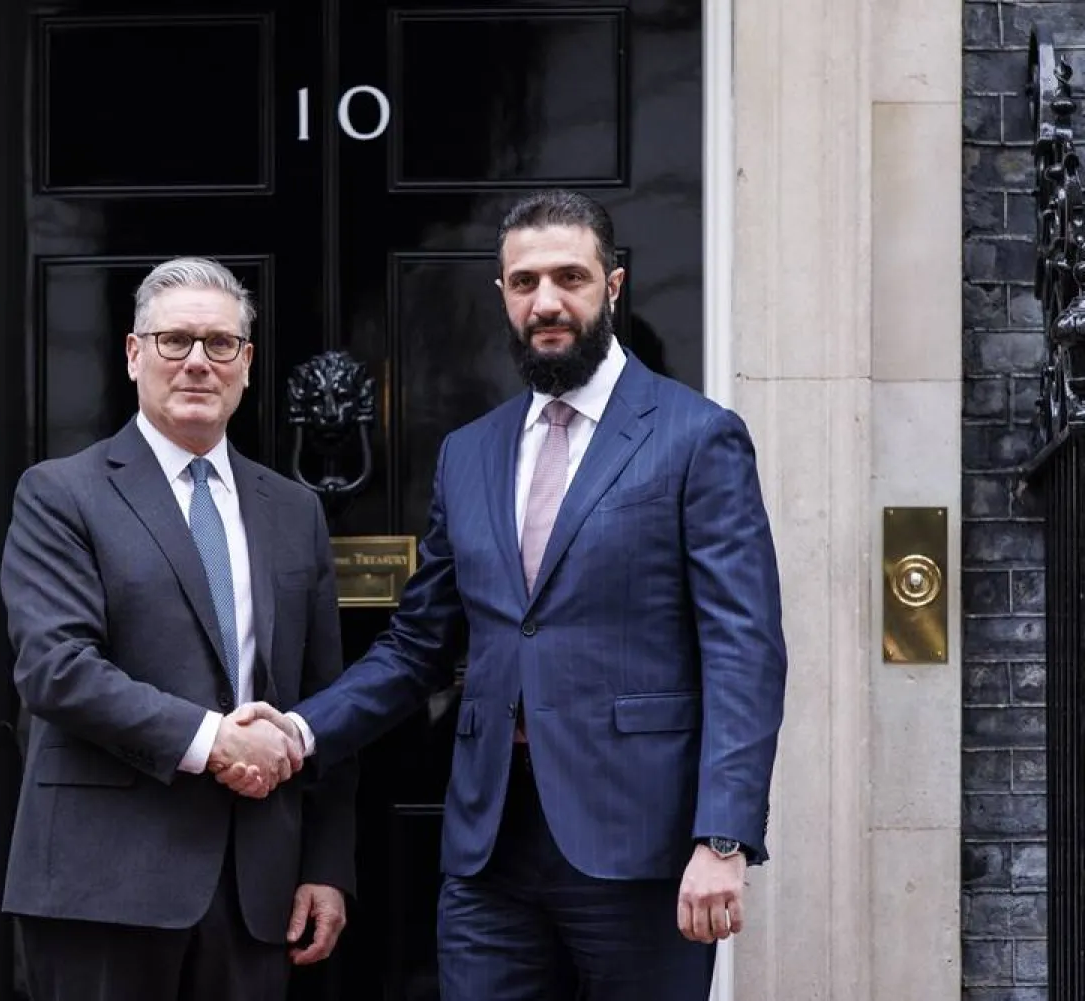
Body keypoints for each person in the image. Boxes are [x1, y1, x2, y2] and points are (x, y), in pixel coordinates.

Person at [224, 190, 788, 1000]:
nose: (547, 302)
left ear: (614, 286)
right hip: (488, 853)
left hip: (642, 849)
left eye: (570, 277)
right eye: (524, 282)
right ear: (502, 295)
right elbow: (418, 645)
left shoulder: (697, 436)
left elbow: (745, 652)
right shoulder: (470, 453)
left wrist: (723, 838)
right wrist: (302, 730)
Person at [0, 256, 357, 1001]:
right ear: (134, 354)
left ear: (247, 364)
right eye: (174, 341)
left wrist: (326, 862)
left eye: (220, 343)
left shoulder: (294, 512)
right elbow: (56, 667)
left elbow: (325, 697)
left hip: (255, 886)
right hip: (103, 885)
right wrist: (217, 740)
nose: (198, 361)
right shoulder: (61, 493)